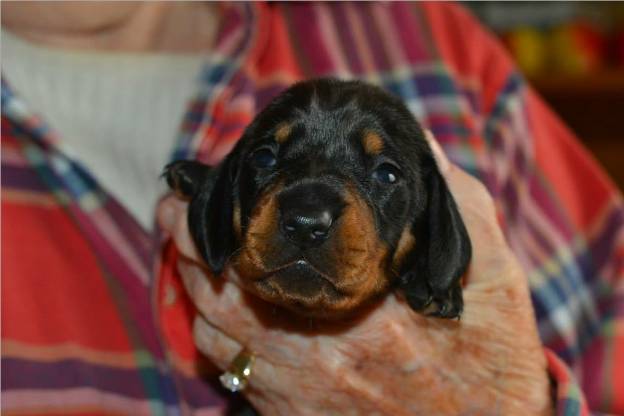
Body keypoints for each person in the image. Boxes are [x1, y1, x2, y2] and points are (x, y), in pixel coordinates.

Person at [1, 2, 622, 415]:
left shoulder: (433, 43)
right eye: (267, 163)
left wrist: (507, 403)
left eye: (384, 173)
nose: (308, 218)